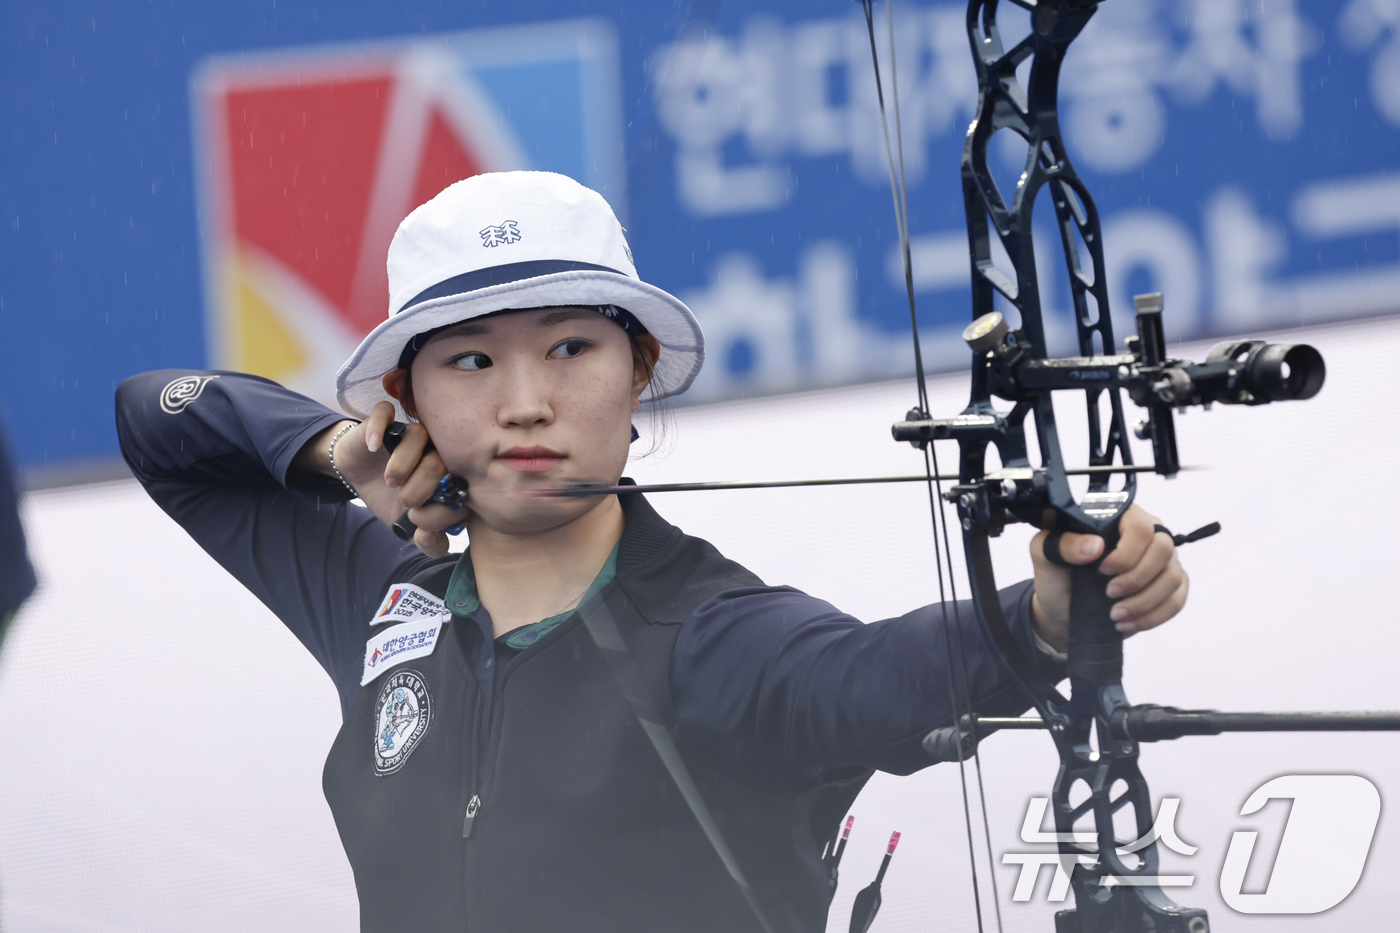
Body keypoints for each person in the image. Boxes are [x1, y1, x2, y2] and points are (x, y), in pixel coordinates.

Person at [115, 171, 1188, 932]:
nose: (525, 402)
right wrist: (335, 448)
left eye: (571, 349)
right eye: (472, 360)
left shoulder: (711, 638)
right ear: (411, 401)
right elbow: (161, 422)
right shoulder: (380, 597)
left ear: (637, 372)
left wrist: (1049, 612)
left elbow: (873, 676)